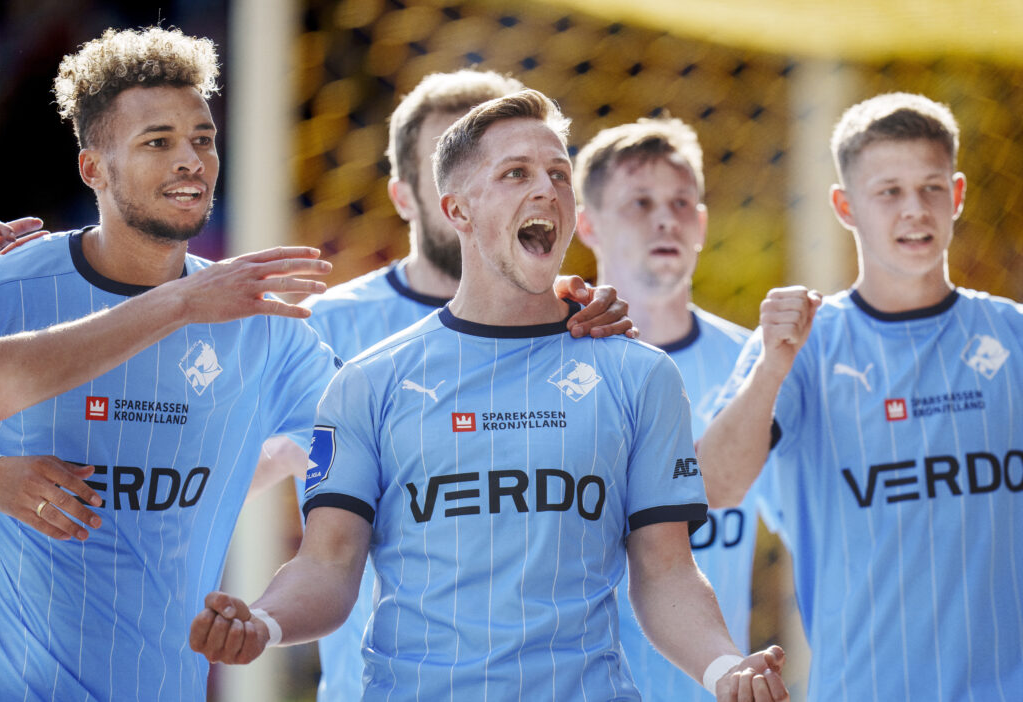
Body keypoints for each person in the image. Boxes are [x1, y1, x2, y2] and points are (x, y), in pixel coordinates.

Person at [190, 89, 788, 702]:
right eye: (515, 173)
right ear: (458, 209)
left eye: (559, 173)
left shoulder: (640, 375)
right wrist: (262, 620)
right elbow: (328, 565)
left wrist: (723, 668)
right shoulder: (370, 380)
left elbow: (666, 572)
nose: (546, 189)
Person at [0, 27, 338, 701]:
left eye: (203, 139)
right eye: (157, 141)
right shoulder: (14, 287)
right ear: (93, 168)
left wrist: (231, 478)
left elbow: (346, 437)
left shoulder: (261, 321)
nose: (191, 160)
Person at [296, 68, 635, 700]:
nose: (512, 189)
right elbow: (231, 465)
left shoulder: (580, 325)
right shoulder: (329, 332)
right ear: (413, 195)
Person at [698, 92, 1023, 700]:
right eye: (888, 192)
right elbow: (712, 488)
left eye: (930, 188)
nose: (914, 211)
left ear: (956, 195)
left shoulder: (1013, 337)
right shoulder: (806, 347)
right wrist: (771, 369)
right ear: (846, 207)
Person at [574, 117, 764, 702]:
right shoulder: (548, 364)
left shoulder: (754, 364)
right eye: (639, 203)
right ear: (588, 225)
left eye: (682, 202)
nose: (665, 219)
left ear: (702, 224)